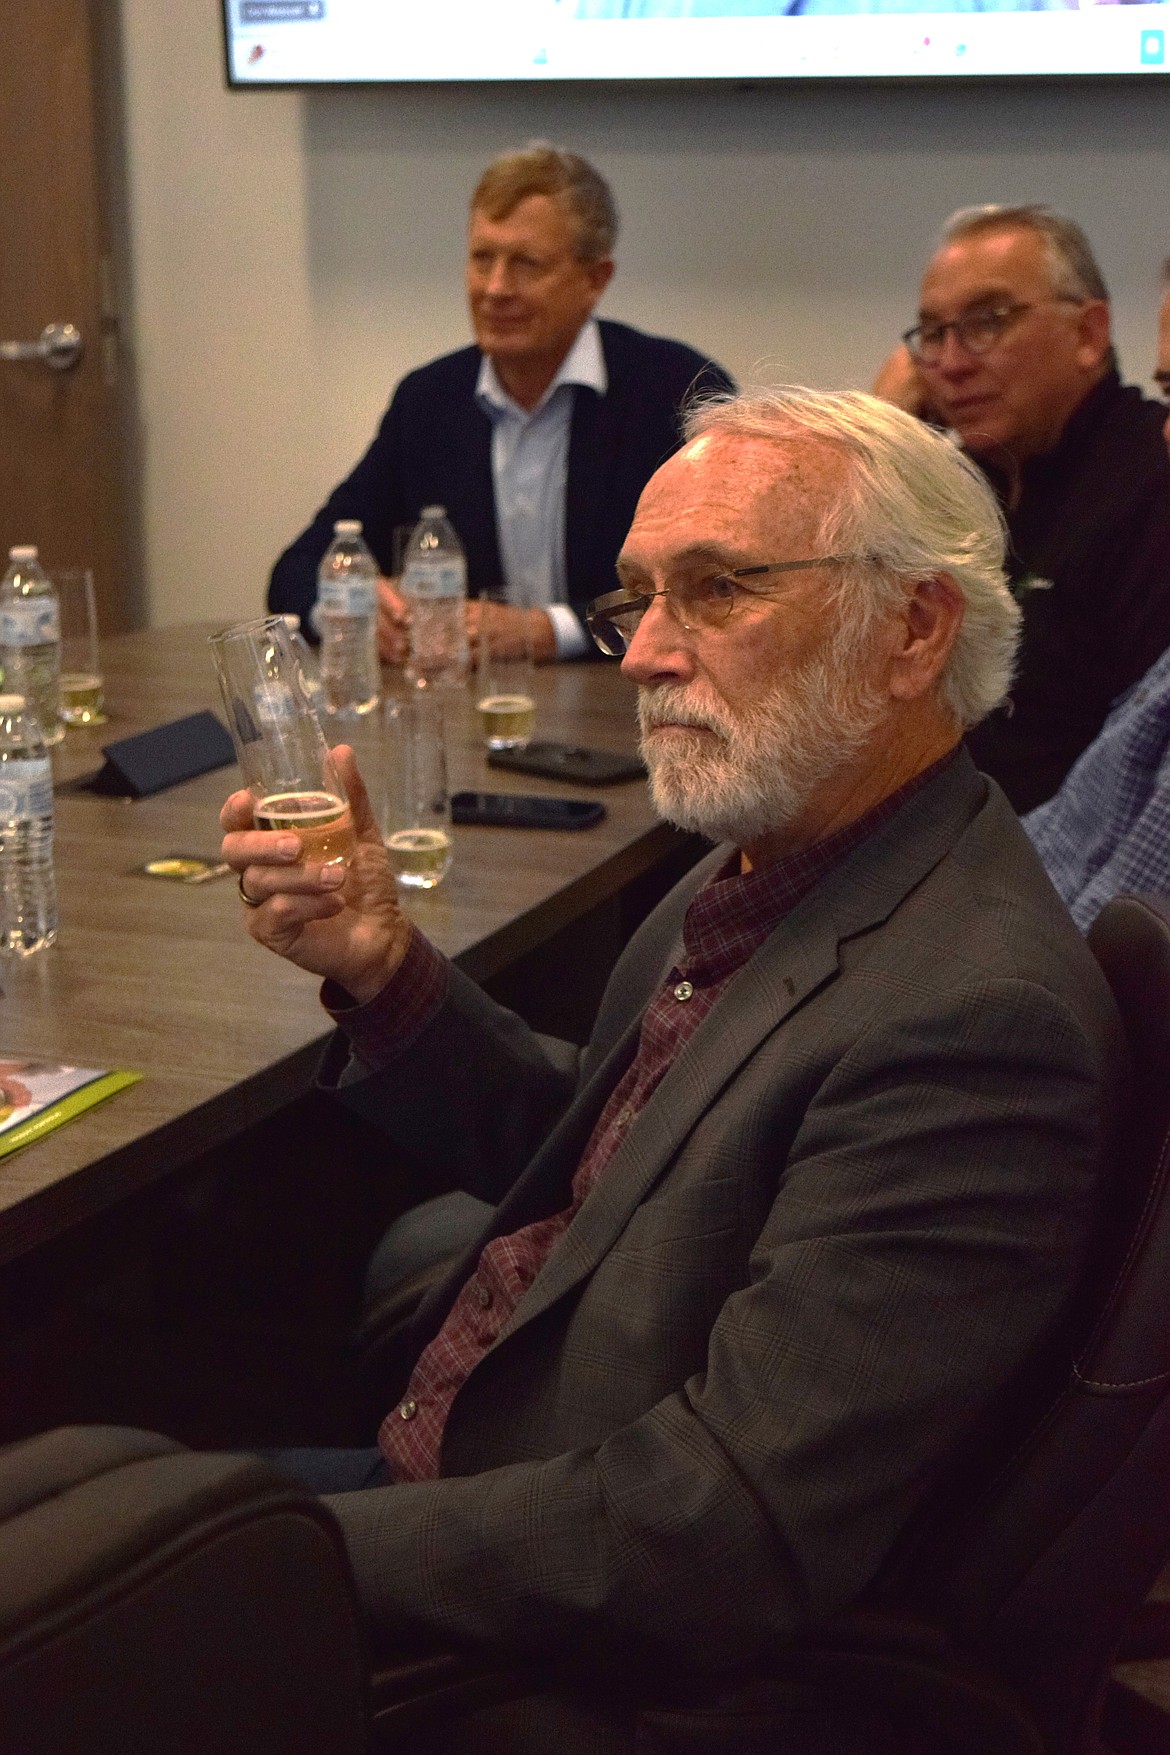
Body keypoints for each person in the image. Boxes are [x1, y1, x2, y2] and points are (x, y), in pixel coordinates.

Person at [223, 386, 1122, 1745]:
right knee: (72, 1487)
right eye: (637, 594)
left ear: (912, 629)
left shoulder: (976, 1019)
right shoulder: (777, 857)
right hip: (485, 1467)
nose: (644, 651)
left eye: (715, 589)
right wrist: (379, 959)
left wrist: (296, 1558)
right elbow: (612, 1153)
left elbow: (717, 1529)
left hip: (540, 1605)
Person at [268, 143, 732, 666]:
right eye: (482, 258)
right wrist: (346, 607)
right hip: (475, 715)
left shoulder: (677, 392)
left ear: (594, 280)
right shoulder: (429, 401)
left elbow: (718, 587)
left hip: (635, 709)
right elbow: (297, 569)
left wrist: (549, 631)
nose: (495, 289)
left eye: (526, 264)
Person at [875, 203, 1170, 813]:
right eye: (932, 334)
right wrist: (883, 436)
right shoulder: (951, 480)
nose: (952, 364)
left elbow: (1136, 789)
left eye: (988, 322)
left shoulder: (1151, 483)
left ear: (1088, 334)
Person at [1023, 262, 1170, 928]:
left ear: (1088, 333)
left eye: (987, 321)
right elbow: (1067, 836)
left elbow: (1108, 967)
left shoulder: (1131, 492)